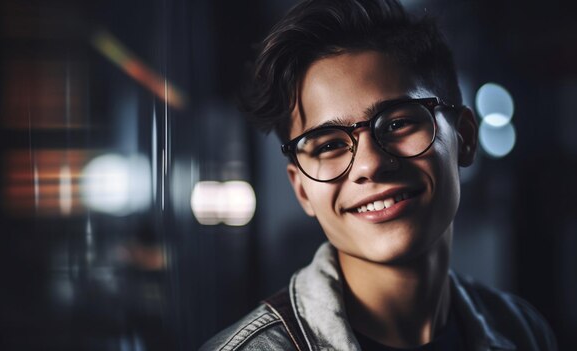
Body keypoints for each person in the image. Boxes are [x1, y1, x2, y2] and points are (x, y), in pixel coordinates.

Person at [200, 0, 557, 350]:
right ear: (302, 190)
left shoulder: (523, 331)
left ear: (464, 136)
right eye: (328, 146)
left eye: (399, 123)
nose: (370, 164)